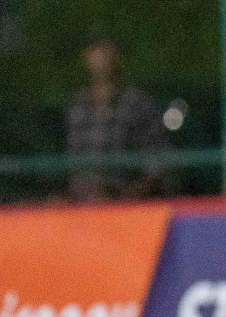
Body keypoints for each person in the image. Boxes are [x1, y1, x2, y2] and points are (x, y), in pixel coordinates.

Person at [65, 37, 168, 202]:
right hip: (82, 208)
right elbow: (71, 163)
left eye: (105, 49)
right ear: (85, 56)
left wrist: (127, 198)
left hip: (124, 206)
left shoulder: (137, 103)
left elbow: (157, 162)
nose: (99, 56)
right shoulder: (77, 105)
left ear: (117, 56)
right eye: (94, 49)